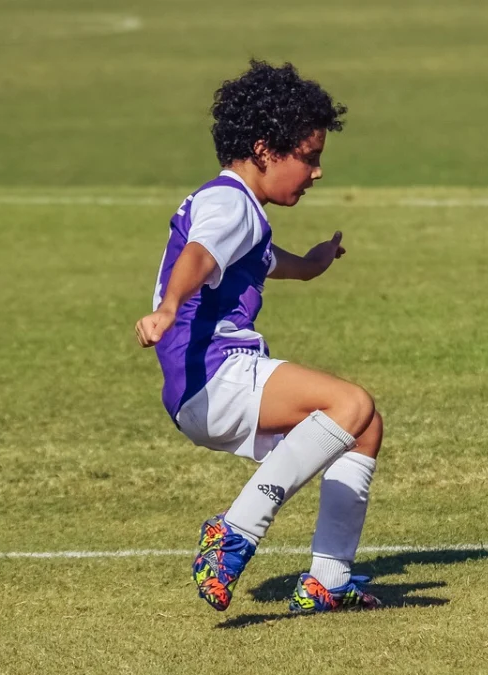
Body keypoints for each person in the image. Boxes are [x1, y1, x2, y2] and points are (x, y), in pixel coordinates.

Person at [135, 60, 382, 614]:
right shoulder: (229, 203)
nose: (317, 172)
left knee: (364, 427)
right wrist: (168, 308)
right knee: (350, 403)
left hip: (207, 383)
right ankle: (236, 532)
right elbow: (200, 255)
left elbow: (264, 261)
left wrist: (314, 264)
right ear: (266, 149)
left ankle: (328, 579)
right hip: (215, 375)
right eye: (310, 158)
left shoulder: (243, 210)